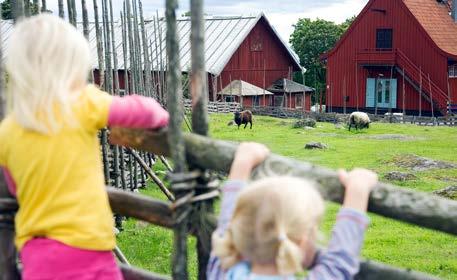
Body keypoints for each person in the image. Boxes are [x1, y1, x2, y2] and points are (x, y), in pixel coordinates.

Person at [0, 15, 169, 279]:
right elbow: (144, 111)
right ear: (70, 69)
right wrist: (163, 117)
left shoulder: (7, 131)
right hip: (86, 246)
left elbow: (13, 185)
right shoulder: (80, 104)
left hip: (37, 253)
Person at [207, 142, 378, 279]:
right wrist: (358, 189)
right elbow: (339, 263)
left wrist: (242, 163)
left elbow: (228, 223)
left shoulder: (222, 269)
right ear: (303, 241)